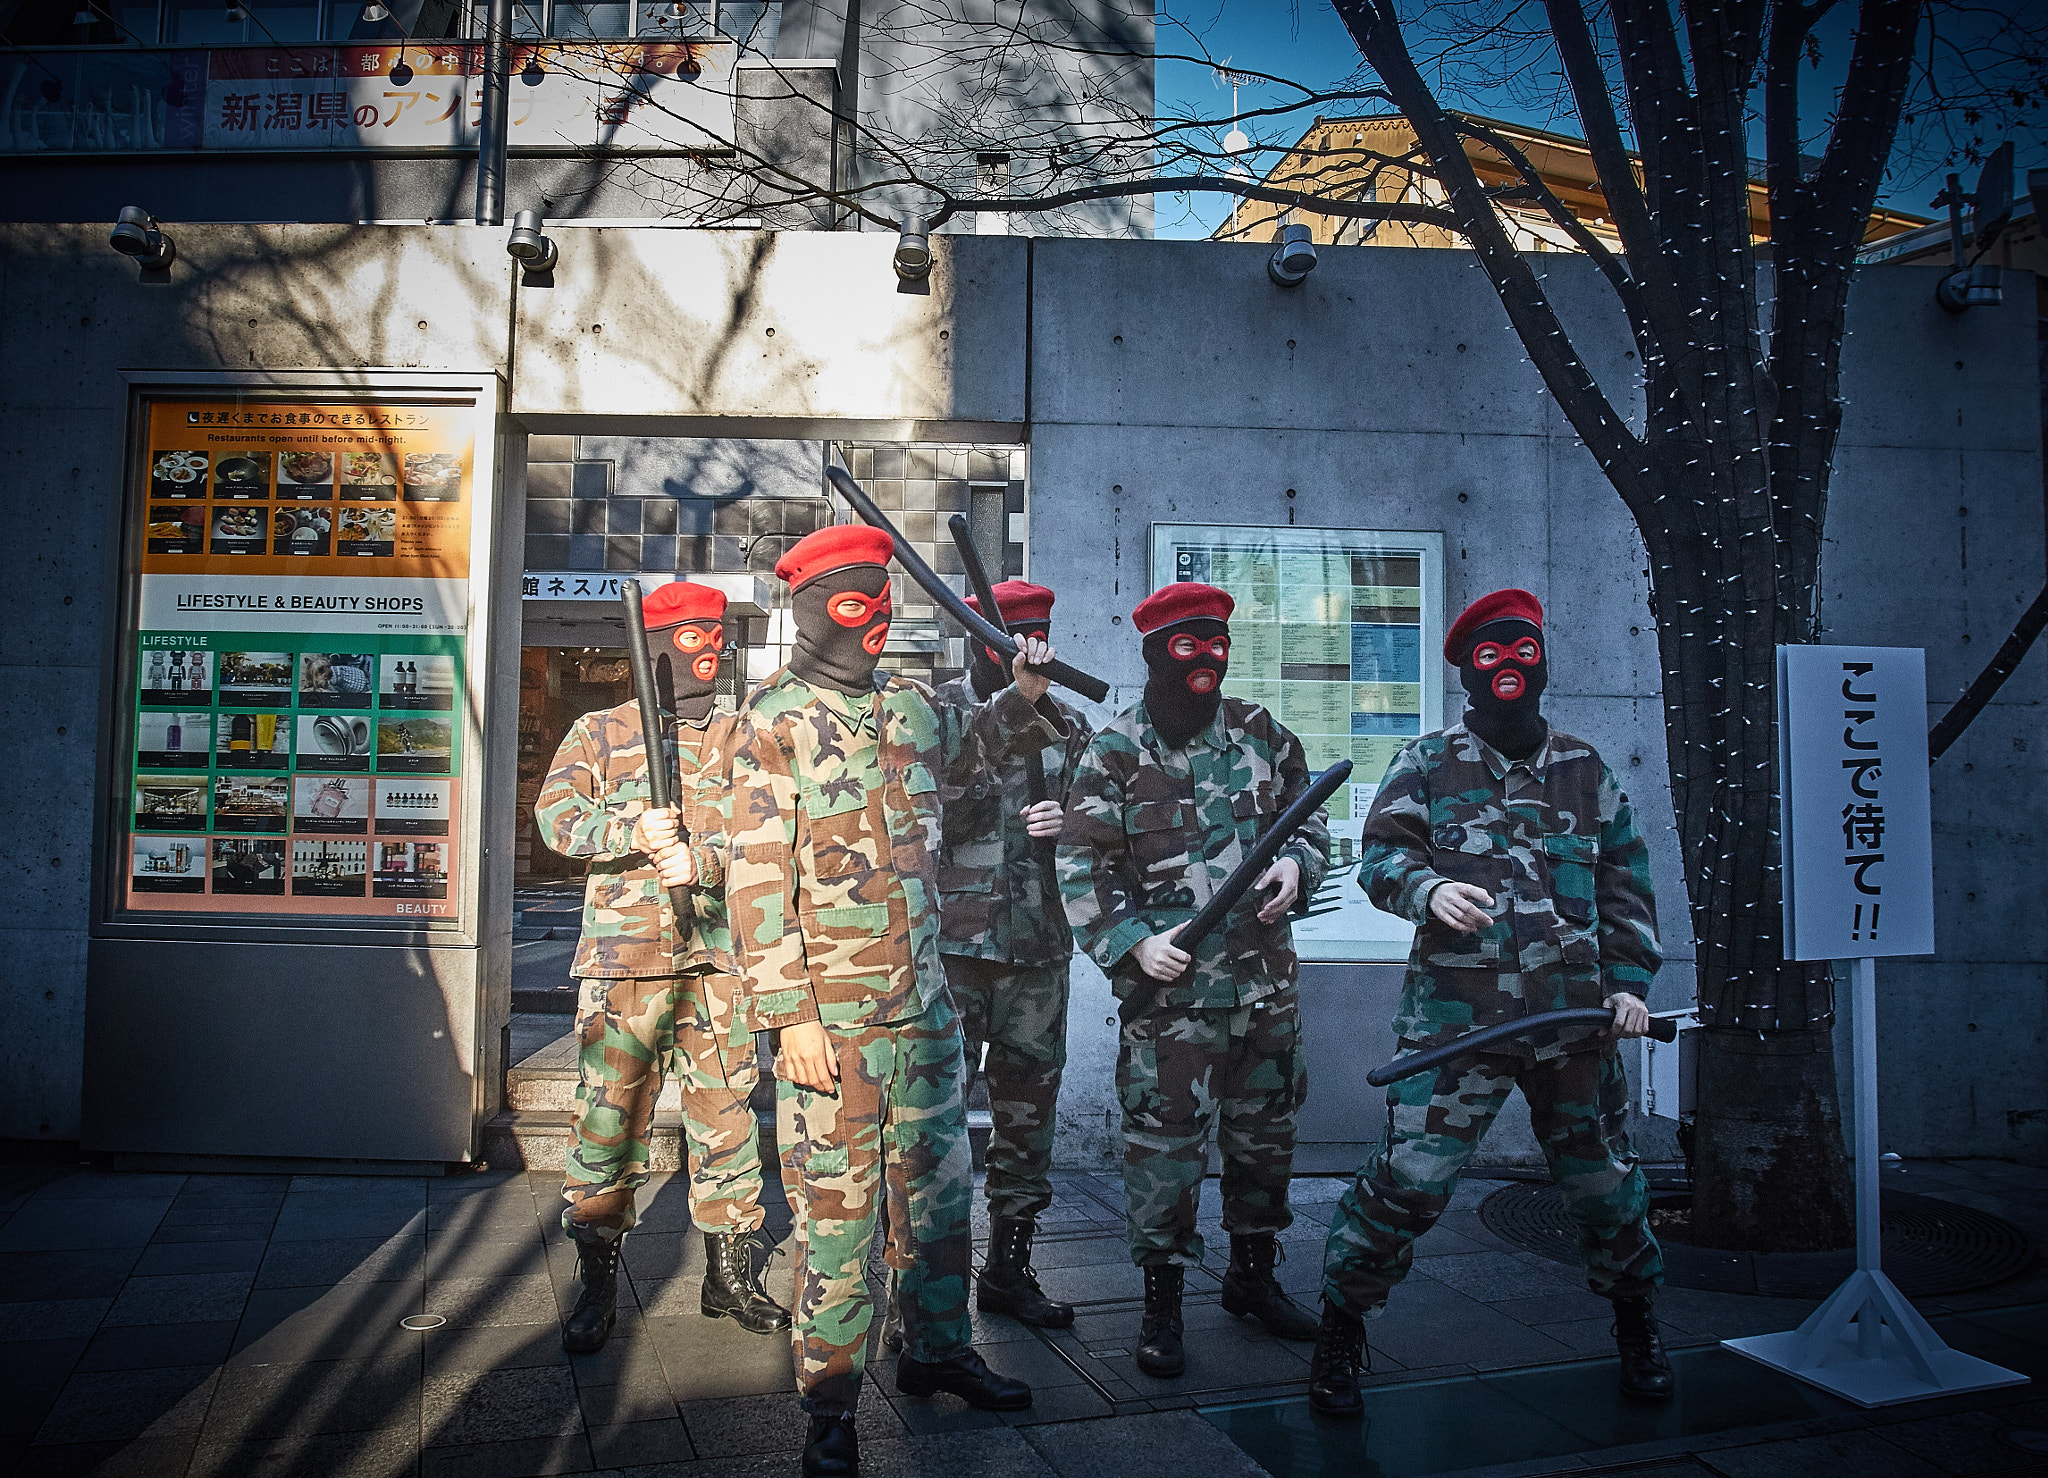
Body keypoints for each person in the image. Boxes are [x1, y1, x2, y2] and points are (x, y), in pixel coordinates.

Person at [720, 524, 1040, 1478]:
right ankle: (828, 1399)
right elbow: (753, 880)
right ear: (813, 611)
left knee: (941, 1200)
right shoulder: (770, 721)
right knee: (839, 1221)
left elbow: (979, 766)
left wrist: (1015, 686)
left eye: (882, 606)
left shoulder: (909, 708)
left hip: (925, 1010)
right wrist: (791, 1018)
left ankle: (937, 1351)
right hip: (836, 1024)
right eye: (854, 605)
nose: (872, 625)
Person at [1308, 588, 1671, 1418]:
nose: (1509, 670)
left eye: (1523, 654)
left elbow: (1626, 884)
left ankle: (1638, 1323)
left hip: (1573, 1025)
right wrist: (1426, 889)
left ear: (1541, 663)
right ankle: (1341, 1326)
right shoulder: (1429, 762)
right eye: (1491, 658)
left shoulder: (1586, 769)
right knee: (1409, 1181)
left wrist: (1629, 987)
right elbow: (1377, 861)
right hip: (1455, 1024)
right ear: (1469, 672)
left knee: (1605, 1184)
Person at [1057, 580, 1330, 1380]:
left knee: (1265, 1143)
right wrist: (1133, 944)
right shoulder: (1113, 752)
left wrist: (1297, 863)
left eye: (1217, 644)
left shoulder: (1260, 733)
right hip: (1172, 1004)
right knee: (1165, 1156)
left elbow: (1309, 815)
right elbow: (1080, 862)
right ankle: (1162, 1303)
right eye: (1188, 646)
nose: (1206, 660)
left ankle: (1253, 1279)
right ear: (1155, 654)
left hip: (1265, 988)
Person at [533, 579, 789, 1356]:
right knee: (608, 1117)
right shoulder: (601, 732)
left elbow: (775, 832)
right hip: (628, 960)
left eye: (714, 639)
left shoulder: (747, 735)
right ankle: (598, 1277)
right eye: (685, 641)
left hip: (720, 959)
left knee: (728, 1117)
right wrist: (630, 828)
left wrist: (708, 858)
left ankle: (729, 1272)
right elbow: (554, 820)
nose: (704, 654)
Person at [930, 580, 1093, 1328]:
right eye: (1009, 635)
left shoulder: (1074, 724)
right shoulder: (934, 711)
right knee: (931, 1122)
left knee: (1029, 1116)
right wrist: (1014, 712)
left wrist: (1075, 824)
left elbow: (1111, 824)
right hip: (953, 948)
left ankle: (1009, 1268)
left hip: (1037, 947)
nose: (1026, 650)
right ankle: (927, 1292)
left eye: (1036, 634)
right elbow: (935, 804)